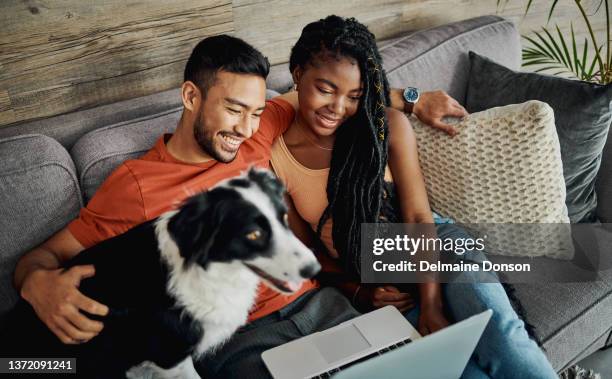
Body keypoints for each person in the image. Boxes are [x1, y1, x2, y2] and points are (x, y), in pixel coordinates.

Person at [11, 33, 459, 372]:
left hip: (322, 306)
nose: (247, 128)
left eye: (256, 111)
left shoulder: (258, 130)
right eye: (233, 109)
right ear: (191, 97)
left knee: (420, 366)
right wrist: (37, 284)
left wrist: (414, 101)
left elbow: (336, 104)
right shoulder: (136, 184)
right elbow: (45, 255)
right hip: (242, 339)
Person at [267, 16, 559, 379]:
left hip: (439, 250)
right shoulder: (275, 154)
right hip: (380, 282)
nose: (337, 107)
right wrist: (358, 291)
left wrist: (432, 306)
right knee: (462, 372)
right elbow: (310, 252)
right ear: (297, 74)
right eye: (325, 89)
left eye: (355, 97)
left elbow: (419, 218)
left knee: (504, 340)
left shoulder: (384, 125)